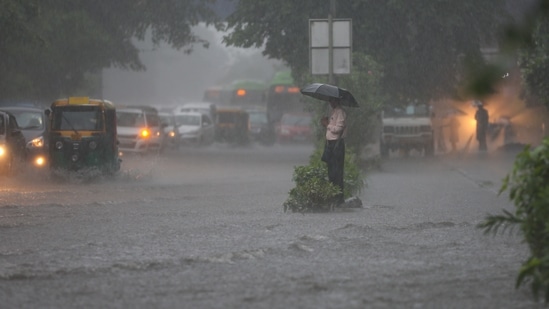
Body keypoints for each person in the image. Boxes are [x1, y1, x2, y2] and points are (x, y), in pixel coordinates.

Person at [321, 98, 347, 205]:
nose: (331, 103)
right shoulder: (333, 112)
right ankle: (332, 195)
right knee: (331, 172)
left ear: (337, 101)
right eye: (330, 101)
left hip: (337, 145)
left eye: (332, 101)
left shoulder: (340, 112)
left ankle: (338, 198)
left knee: (337, 172)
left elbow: (338, 129)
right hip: (330, 144)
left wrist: (327, 125)